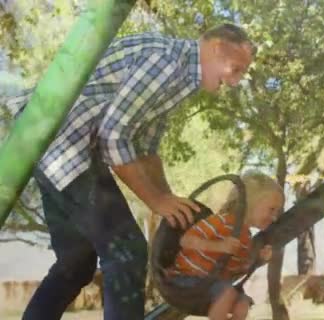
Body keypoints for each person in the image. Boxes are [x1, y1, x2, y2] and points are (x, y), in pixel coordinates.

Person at [1, 23, 255, 320]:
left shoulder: (181, 76)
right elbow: (113, 137)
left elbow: (145, 148)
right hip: (66, 144)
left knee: (77, 262)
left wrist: (167, 200)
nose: (236, 81)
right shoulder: (165, 62)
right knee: (128, 252)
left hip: (54, 146)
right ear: (216, 47)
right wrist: (156, 201)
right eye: (236, 69)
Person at [167, 171, 284, 320]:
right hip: (187, 278)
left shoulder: (245, 237)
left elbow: (238, 270)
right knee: (227, 293)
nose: (274, 217)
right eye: (271, 209)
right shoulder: (221, 221)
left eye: (277, 212)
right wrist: (219, 246)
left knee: (243, 302)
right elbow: (186, 241)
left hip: (213, 284)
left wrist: (259, 260)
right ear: (250, 202)